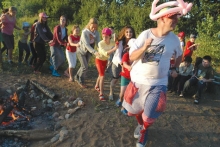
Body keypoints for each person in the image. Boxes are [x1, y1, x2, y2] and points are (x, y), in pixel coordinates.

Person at [122, 7, 185, 147]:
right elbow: (132, 57)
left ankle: (144, 131)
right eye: (172, 18)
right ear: (162, 19)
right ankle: (140, 124)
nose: (175, 21)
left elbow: (180, 54)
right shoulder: (145, 35)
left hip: (159, 82)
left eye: (176, 18)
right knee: (135, 109)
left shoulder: (174, 40)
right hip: (139, 80)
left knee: (150, 111)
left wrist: (175, 68)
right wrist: (144, 47)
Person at [109, 26, 136, 100]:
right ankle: (111, 92)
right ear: (124, 33)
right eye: (127, 32)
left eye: (130, 32)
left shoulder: (135, 42)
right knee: (115, 79)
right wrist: (122, 64)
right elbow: (118, 54)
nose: (129, 33)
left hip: (128, 64)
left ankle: (123, 96)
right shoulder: (120, 42)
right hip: (118, 63)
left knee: (126, 81)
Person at [74, 18, 100, 88]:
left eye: (95, 27)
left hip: (89, 52)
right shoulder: (85, 32)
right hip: (81, 51)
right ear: (89, 25)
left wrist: (101, 50)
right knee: (85, 67)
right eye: (92, 27)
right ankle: (80, 80)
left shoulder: (96, 33)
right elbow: (86, 45)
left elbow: (98, 43)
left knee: (84, 66)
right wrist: (95, 52)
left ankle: (76, 76)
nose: (94, 29)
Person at [94, 28, 118, 101]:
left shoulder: (112, 42)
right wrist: (114, 49)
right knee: (102, 76)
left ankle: (96, 85)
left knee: (101, 74)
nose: (104, 38)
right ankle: (101, 93)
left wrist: (116, 39)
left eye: (106, 37)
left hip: (105, 60)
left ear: (110, 36)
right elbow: (105, 53)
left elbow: (117, 42)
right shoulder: (100, 43)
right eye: (103, 36)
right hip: (99, 60)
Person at [116, 39, 134, 115]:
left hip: (133, 78)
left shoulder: (138, 56)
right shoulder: (126, 55)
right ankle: (120, 99)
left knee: (128, 94)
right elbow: (124, 63)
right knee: (122, 93)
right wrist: (128, 67)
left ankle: (124, 107)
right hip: (125, 76)